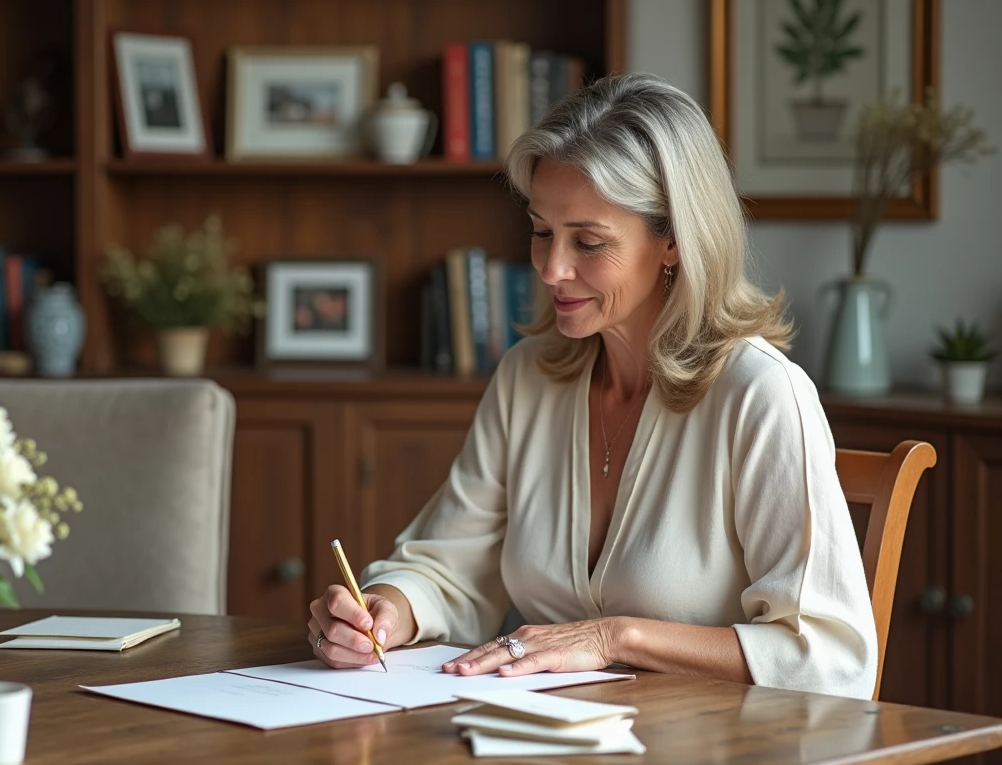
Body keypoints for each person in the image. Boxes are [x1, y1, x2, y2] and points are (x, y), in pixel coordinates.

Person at [306, 73, 877, 699]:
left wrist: (614, 638)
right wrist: (384, 611)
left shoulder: (761, 395)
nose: (552, 268)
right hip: (537, 732)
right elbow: (451, 566)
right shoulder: (527, 378)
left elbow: (829, 659)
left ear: (673, 241)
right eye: (541, 232)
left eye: (588, 241)